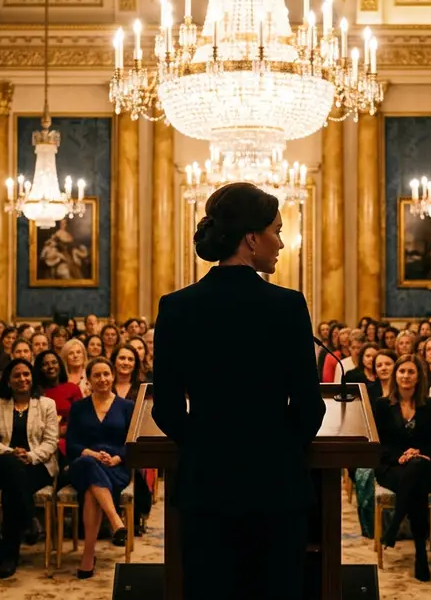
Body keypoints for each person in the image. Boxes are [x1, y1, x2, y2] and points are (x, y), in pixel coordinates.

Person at [152, 182, 326, 600]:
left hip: (205, 487)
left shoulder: (176, 306)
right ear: (252, 238)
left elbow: (167, 409)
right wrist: (278, 445)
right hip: (276, 488)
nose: (281, 242)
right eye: (277, 231)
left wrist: (204, 444)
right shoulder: (287, 305)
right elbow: (308, 407)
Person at [0, 358, 59, 578]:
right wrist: (11, 452)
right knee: (12, 468)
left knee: (13, 487)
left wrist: (30, 455)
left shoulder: (47, 405)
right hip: (1, 463)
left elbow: (51, 442)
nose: (22, 379)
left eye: (26, 374)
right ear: (8, 380)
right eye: (17, 375)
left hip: (37, 465)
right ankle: (30, 519)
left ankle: (10, 556)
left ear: (32, 377)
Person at [374, 355, 431, 582]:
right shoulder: (383, 405)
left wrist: (417, 453)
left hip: (424, 464)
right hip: (392, 467)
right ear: (395, 375)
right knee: (416, 485)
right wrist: (400, 456)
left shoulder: (430, 405)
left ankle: (396, 522)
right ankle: (420, 554)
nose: (406, 376)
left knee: (416, 470)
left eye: (411, 372)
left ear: (418, 377)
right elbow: (379, 443)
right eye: (402, 371)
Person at [68, 357, 135, 578]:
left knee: (90, 493)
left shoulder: (127, 407)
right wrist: (91, 453)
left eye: (106, 374)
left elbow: (133, 441)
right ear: (89, 380)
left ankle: (88, 554)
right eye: (96, 375)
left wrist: (117, 458)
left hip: (115, 467)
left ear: (113, 376)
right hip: (84, 463)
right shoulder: (79, 407)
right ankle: (115, 520)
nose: (102, 379)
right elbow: (71, 444)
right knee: (87, 464)